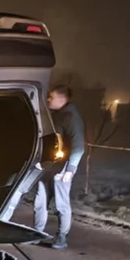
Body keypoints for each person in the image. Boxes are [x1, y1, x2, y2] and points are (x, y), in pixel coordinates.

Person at [32, 85, 86, 249]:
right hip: (49, 165)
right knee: (40, 200)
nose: (48, 99)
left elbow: (78, 146)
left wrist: (70, 170)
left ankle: (62, 237)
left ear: (62, 99)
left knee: (61, 203)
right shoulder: (57, 115)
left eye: (52, 97)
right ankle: (36, 233)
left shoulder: (71, 117)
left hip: (62, 168)